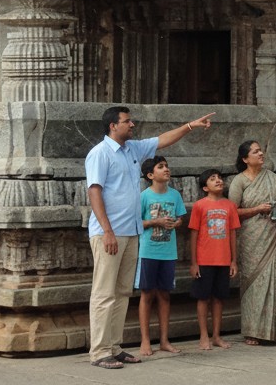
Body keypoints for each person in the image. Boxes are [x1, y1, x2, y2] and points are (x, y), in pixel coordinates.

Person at [85, 106, 214, 370]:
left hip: (132, 232)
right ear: (113, 126)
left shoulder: (133, 149)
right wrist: (107, 230)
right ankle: (99, 351)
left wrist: (190, 125)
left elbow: (163, 139)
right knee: (104, 293)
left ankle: (114, 347)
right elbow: (94, 192)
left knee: (122, 292)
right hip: (109, 233)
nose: (131, 125)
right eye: (127, 121)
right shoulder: (99, 154)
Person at [228, 139, 276, 345]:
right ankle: (253, 331)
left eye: (261, 150)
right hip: (251, 239)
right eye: (255, 152)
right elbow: (232, 212)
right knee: (254, 282)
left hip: (274, 236)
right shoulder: (240, 181)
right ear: (245, 159)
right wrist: (257, 209)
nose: (261, 154)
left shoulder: (273, 178)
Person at [136, 156, 185, 356]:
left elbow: (180, 218)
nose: (166, 169)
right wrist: (155, 222)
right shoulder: (144, 197)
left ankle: (164, 340)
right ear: (150, 175)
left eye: (166, 166)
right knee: (147, 294)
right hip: (148, 252)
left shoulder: (175, 195)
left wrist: (176, 224)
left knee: (165, 294)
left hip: (168, 252)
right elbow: (136, 223)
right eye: (160, 167)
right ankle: (145, 340)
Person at [188, 168, 241, 350]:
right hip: (204, 260)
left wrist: (233, 260)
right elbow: (194, 235)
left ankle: (217, 335)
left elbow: (233, 234)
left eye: (219, 178)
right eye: (213, 179)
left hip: (223, 260)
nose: (218, 181)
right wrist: (194, 263)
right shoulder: (199, 206)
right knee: (202, 298)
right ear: (205, 187)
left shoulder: (230, 206)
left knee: (219, 298)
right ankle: (203, 335)